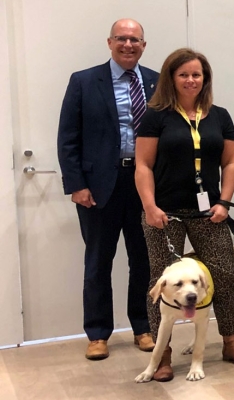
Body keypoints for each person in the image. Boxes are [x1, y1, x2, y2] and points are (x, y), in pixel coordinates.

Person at [134, 48, 234, 381]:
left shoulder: (220, 116)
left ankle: (231, 340)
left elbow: (230, 162)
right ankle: (164, 355)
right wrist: (149, 206)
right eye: (183, 74)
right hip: (165, 213)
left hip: (210, 213)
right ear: (171, 78)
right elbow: (142, 164)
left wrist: (225, 202)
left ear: (206, 79)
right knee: (161, 282)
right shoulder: (156, 115)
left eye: (197, 74)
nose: (191, 80)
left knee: (223, 278)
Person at [56, 18, 157, 360]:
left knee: (143, 260)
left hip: (145, 186)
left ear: (144, 45)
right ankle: (98, 334)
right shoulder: (84, 81)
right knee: (98, 261)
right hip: (98, 188)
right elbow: (68, 139)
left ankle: (143, 327)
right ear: (110, 42)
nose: (128, 45)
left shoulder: (158, 83)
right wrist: (76, 185)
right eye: (121, 38)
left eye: (135, 40)